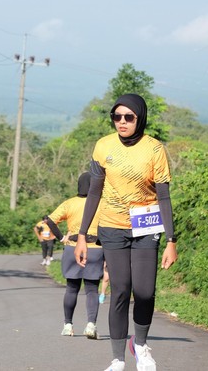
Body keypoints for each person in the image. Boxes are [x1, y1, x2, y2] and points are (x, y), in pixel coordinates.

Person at [74, 93, 178, 371]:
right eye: (116, 116)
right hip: (112, 226)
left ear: (139, 118)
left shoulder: (154, 149)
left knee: (144, 291)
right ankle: (118, 359)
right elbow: (94, 192)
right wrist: (82, 235)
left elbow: (164, 196)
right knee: (120, 290)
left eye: (128, 117)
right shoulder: (103, 146)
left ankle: (139, 344)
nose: (122, 122)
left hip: (146, 226)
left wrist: (171, 240)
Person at [46, 172, 104, 339]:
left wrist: (61, 238)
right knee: (92, 289)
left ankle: (68, 325)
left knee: (72, 288)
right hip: (95, 248)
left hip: (73, 247)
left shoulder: (69, 203)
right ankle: (91, 324)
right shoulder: (101, 203)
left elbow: (50, 221)